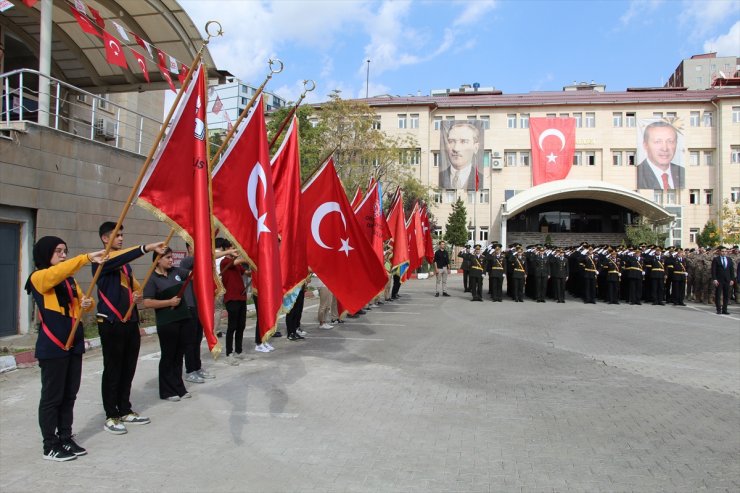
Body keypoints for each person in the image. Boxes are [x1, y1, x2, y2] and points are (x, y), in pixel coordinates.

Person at [26, 237, 106, 461]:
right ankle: (50, 444)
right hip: (53, 346)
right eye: (58, 251)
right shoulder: (39, 277)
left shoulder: (68, 281)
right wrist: (86, 258)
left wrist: (86, 304)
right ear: (45, 253)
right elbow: (55, 274)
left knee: (69, 394)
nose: (63, 255)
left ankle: (65, 436)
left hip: (74, 344)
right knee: (52, 397)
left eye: (65, 251)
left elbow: (81, 302)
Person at [95, 222, 165, 435]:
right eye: (116, 236)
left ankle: (125, 408)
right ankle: (111, 414)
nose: (121, 239)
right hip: (111, 322)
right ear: (105, 239)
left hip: (129, 321)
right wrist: (147, 248)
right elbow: (122, 257)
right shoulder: (102, 260)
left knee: (128, 367)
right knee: (113, 368)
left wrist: (137, 295)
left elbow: (134, 288)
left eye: (122, 235)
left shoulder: (126, 266)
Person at [142, 248, 193, 401]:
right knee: (168, 356)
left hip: (183, 319)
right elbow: (147, 302)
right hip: (167, 322)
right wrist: (169, 302)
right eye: (168, 258)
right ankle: (166, 390)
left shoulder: (177, 272)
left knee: (179, 355)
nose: (171, 260)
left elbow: (194, 272)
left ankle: (179, 386)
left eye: (171, 257)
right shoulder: (152, 279)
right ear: (158, 260)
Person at [179, 243, 218, 383]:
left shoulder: (199, 262)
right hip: (189, 306)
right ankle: (190, 370)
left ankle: (197, 367)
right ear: (189, 248)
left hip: (199, 305)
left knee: (197, 339)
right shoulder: (186, 261)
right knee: (189, 341)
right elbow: (204, 257)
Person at [219, 249, 251, 361]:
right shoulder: (225, 262)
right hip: (231, 298)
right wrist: (249, 256)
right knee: (232, 326)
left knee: (241, 326)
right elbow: (235, 262)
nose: (236, 251)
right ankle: (229, 353)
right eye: (233, 248)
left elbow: (246, 273)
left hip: (241, 297)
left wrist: (256, 269)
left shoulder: (238, 265)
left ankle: (238, 351)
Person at [636, 121, 684, 190]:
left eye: (670, 141)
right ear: (645, 145)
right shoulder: (638, 174)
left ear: (676, 143)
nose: (665, 148)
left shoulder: (682, 172)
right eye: (658, 142)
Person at [439, 122, 480, 190]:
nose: (456, 148)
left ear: (475, 148)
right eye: (451, 141)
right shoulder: (439, 177)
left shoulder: (480, 179)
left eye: (464, 141)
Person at [711, 246, 735, 315]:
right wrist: (714, 279)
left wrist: (732, 279)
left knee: (726, 295)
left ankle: (725, 309)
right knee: (718, 295)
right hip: (719, 280)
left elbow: (731, 270)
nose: (724, 253)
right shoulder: (716, 259)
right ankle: (718, 309)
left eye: (725, 251)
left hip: (727, 280)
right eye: (722, 251)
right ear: (719, 252)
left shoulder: (729, 259)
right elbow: (713, 270)